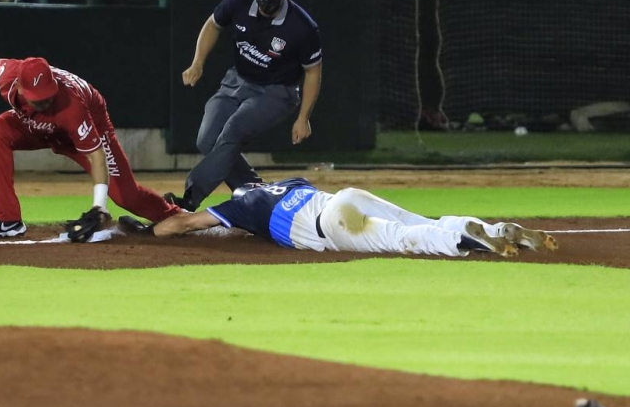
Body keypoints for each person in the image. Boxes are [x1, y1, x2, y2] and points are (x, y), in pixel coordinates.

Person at [0, 57, 182, 238]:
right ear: (20, 87)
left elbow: (96, 156)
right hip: (39, 126)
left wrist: (99, 207)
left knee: (125, 196)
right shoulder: (10, 74)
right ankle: (9, 221)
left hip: (85, 127)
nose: (43, 100)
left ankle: (176, 216)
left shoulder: (70, 106)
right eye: (37, 96)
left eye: (47, 95)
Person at [169, 0, 323, 212]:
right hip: (236, 81)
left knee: (232, 131)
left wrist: (303, 117)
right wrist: (197, 62)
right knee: (207, 141)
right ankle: (256, 194)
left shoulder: (302, 27)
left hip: (277, 92)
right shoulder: (238, 0)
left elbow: (313, 71)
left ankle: (188, 199)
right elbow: (213, 24)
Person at [121, 177, 559, 258]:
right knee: (415, 219)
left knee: (402, 240)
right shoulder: (286, 183)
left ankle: (466, 241)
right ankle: (490, 228)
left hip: (332, 224)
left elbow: (184, 224)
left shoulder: (242, 206)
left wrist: (149, 228)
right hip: (346, 195)